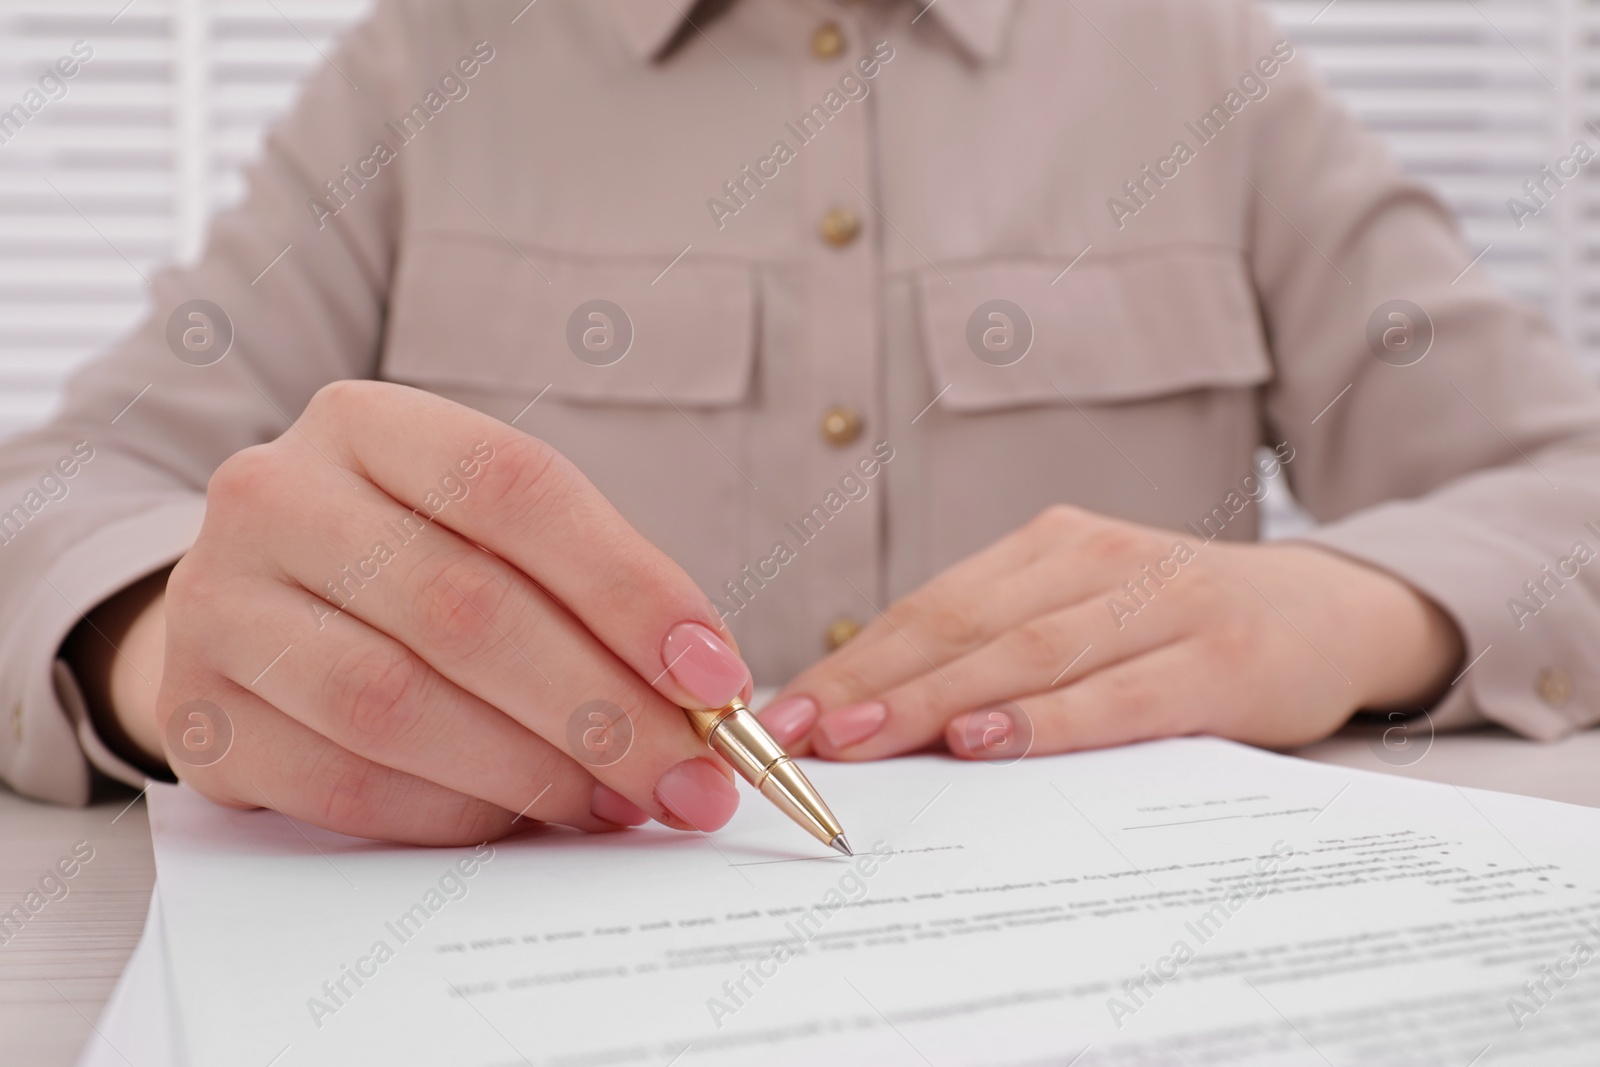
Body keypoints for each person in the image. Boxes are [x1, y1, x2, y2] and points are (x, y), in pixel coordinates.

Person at [2, 0, 1596, 845]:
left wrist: (1350, 611)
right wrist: (173, 646)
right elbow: (54, 501)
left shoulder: (1197, 55)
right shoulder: (434, 55)